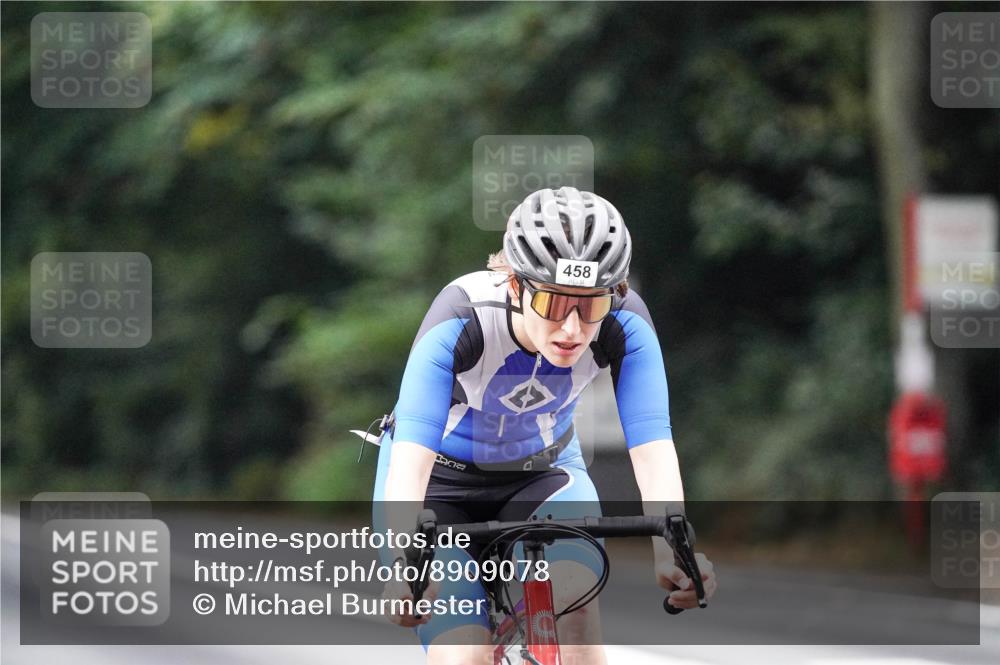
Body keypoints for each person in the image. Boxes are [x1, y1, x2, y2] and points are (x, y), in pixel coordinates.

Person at [372, 186, 716, 665]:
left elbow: (653, 444)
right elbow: (411, 462)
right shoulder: (462, 315)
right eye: (554, 304)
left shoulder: (625, 323)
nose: (572, 329)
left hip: (544, 474)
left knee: (576, 621)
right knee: (463, 656)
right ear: (515, 285)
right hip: (438, 486)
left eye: (590, 306)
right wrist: (404, 563)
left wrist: (671, 549)